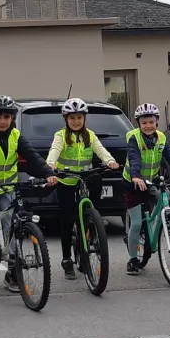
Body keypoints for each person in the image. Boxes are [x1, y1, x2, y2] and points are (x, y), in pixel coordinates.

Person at [0, 95, 57, 293]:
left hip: (9, 186)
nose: (2, 121)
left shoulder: (16, 135)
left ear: (12, 118)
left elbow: (32, 156)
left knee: (13, 227)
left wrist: (48, 173)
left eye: (6, 117)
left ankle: (12, 272)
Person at [46, 97, 119, 281]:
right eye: (72, 118)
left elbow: (101, 150)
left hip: (85, 179)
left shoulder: (90, 135)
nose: (76, 121)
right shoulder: (61, 136)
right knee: (67, 219)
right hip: (67, 181)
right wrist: (51, 164)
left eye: (79, 118)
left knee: (90, 212)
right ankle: (66, 259)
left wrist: (109, 161)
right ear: (66, 119)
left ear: (84, 118)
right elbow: (54, 150)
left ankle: (90, 226)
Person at [123, 103, 170, 275]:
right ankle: (132, 259)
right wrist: (136, 176)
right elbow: (134, 158)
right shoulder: (134, 138)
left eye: (151, 122)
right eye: (144, 123)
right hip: (133, 182)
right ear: (139, 124)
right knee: (137, 223)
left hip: (151, 180)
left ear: (156, 122)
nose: (148, 126)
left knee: (165, 197)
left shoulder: (161, 138)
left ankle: (159, 223)